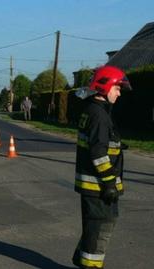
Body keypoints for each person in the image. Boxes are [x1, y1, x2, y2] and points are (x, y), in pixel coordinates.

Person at [72, 65, 131, 269]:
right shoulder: (99, 116)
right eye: (117, 88)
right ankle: (90, 265)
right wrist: (109, 184)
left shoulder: (94, 111)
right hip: (98, 186)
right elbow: (98, 154)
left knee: (97, 226)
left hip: (95, 185)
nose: (120, 93)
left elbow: (97, 144)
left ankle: (82, 257)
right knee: (99, 229)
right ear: (105, 88)